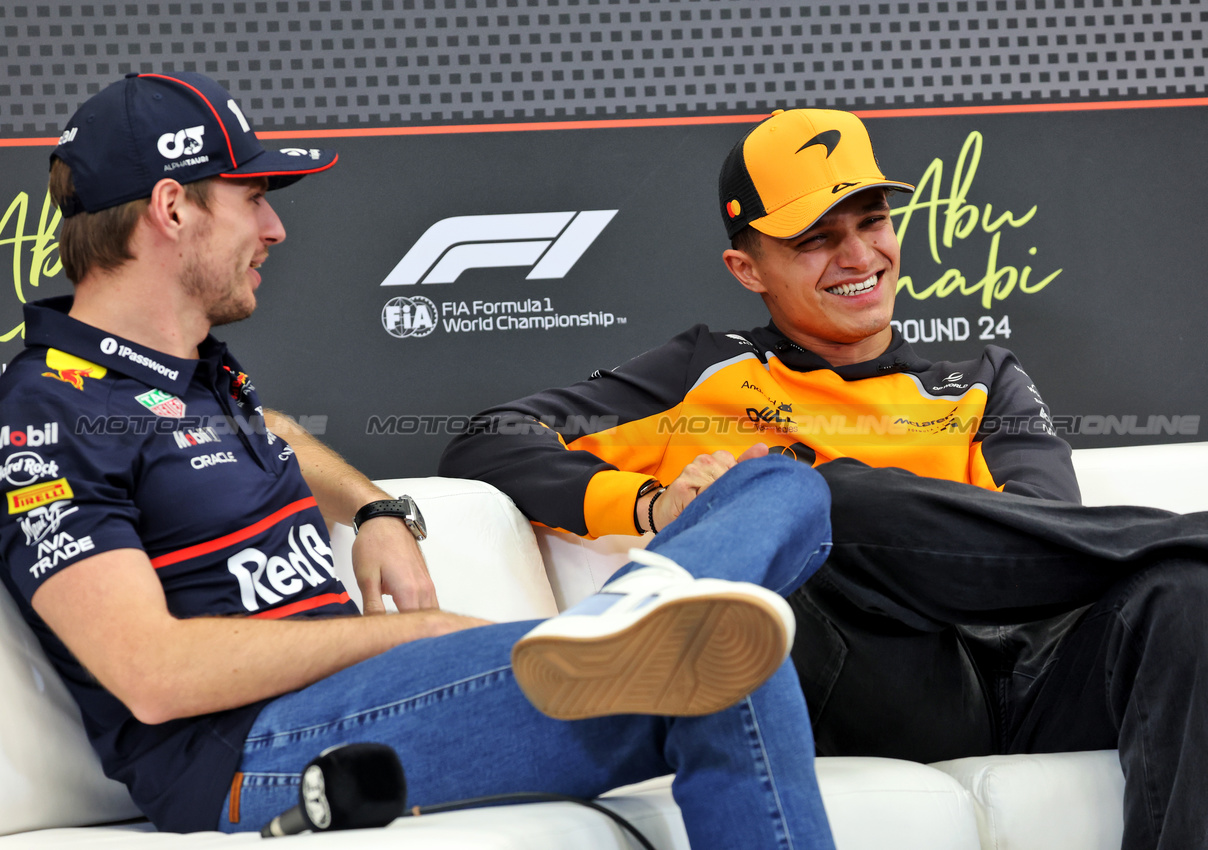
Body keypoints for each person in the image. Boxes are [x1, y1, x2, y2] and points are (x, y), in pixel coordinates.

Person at [0, 73, 842, 848]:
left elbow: (278, 434)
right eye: (253, 196)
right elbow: (150, 674)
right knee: (721, 652)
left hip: (374, 699)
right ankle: (635, 618)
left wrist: (375, 511)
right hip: (253, 748)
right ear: (173, 207)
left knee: (779, 487)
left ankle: (634, 612)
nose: (275, 226)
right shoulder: (46, 412)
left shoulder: (191, 373)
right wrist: (408, 634)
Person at [439, 107, 1208, 850]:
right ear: (746, 268)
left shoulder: (983, 379)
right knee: (808, 495)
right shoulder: (703, 370)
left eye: (872, 222)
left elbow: (1046, 543)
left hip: (1027, 669)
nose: (858, 256)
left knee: (1196, 591)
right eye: (815, 239)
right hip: (874, 681)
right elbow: (491, 439)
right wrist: (653, 502)